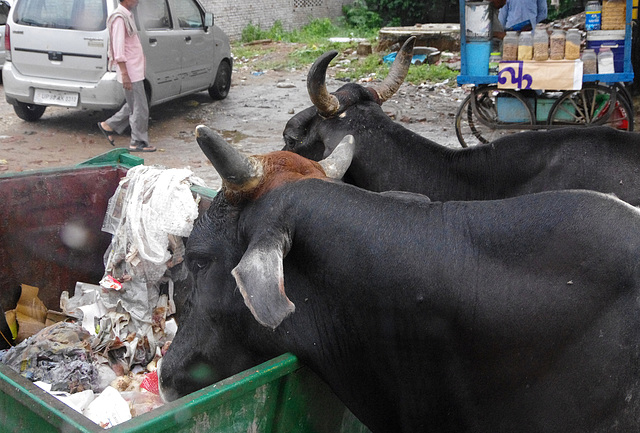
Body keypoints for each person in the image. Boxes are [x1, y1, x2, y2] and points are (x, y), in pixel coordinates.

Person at [97, 0, 156, 152]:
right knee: (140, 107)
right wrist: (124, 74)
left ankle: (109, 125)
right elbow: (118, 48)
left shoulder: (126, 15)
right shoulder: (119, 18)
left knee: (134, 105)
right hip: (130, 71)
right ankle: (138, 142)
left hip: (134, 69)